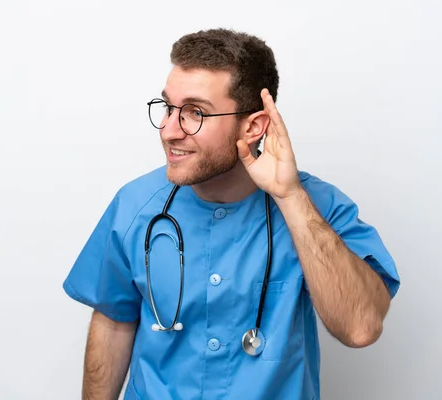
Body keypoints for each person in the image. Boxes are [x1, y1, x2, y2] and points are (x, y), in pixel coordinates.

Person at [63, 28, 401, 400]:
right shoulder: (135, 204)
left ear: (253, 126)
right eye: (168, 108)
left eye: (195, 113)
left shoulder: (316, 206)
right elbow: (113, 324)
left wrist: (289, 197)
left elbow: (361, 328)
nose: (168, 129)